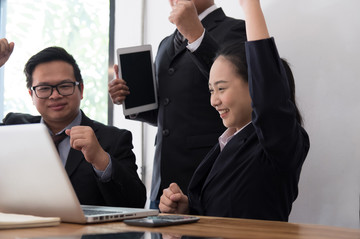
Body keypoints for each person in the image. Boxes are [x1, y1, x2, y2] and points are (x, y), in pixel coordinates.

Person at [159, 0, 310, 221]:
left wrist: (250, 6)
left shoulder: (277, 143)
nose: (213, 101)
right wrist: (189, 211)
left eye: (221, 88)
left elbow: (268, 92)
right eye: (211, 90)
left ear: (254, 86)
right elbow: (223, 208)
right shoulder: (224, 146)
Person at [108, 0, 247, 209]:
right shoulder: (166, 43)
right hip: (161, 181)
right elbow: (167, 112)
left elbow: (236, 92)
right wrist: (130, 100)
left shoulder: (237, 30)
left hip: (205, 176)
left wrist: (197, 36)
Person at [1, 46, 146, 208]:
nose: (55, 95)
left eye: (64, 86)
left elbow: (136, 203)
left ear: (81, 89)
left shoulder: (113, 140)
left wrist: (101, 159)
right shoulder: (13, 127)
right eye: (44, 88)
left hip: (88, 233)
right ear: (31, 95)